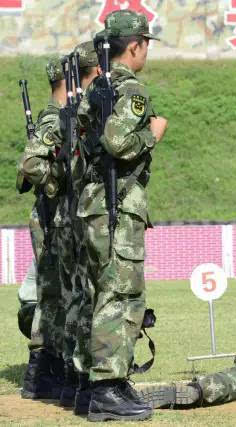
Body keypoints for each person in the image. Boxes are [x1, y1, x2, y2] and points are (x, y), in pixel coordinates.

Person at [76, 9, 167, 422]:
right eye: (145, 45)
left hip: (93, 203)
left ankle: (103, 381)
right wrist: (153, 133)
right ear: (136, 46)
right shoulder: (131, 89)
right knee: (119, 293)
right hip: (117, 204)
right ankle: (106, 388)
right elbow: (117, 142)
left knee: (102, 291)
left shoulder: (96, 88)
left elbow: (82, 141)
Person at [55, 40, 101, 412]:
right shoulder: (82, 110)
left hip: (73, 213)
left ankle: (76, 380)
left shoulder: (76, 111)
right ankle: (86, 381)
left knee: (78, 297)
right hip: (82, 215)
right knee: (88, 297)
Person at [18, 57, 68, 400]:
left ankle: (46, 370)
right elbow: (30, 169)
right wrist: (56, 187)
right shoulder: (57, 118)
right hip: (51, 216)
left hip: (48, 214)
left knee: (55, 291)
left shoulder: (50, 117)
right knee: (53, 292)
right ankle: (41, 372)